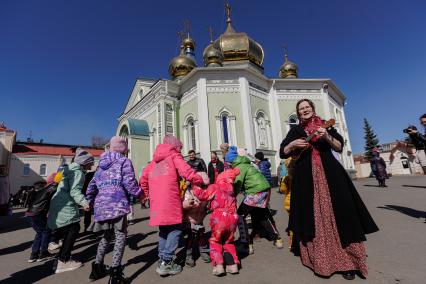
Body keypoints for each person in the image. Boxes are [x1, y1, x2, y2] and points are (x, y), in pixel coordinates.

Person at [279, 99, 379, 280]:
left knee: (341, 213)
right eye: (301, 109)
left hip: (330, 175)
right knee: (313, 215)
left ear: (312, 109)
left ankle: (348, 262)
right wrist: (293, 145)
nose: (304, 110)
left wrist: (326, 135)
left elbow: (339, 147)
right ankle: (320, 260)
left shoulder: (326, 125)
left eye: (307, 107)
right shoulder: (295, 131)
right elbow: (283, 151)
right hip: (305, 179)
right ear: (298, 112)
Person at [139, 134, 209, 276]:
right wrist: (199, 179)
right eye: (180, 148)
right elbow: (187, 172)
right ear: (175, 147)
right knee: (176, 229)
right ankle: (167, 261)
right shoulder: (174, 156)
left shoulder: (153, 162)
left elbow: (143, 179)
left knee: (164, 230)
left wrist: (147, 194)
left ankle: (162, 260)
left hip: (157, 202)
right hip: (170, 199)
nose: (181, 151)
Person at [86, 136, 142, 283]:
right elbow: (129, 182)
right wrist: (140, 194)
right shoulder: (124, 161)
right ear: (123, 148)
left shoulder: (100, 165)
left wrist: (90, 200)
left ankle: (96, 269)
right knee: (120, 236)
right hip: (117, 204)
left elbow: (91, 186)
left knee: (106, 236)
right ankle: (116, 274)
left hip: (102, 206)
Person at [226, 148, 283, 255]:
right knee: (261, 215)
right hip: (264, 189)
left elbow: (238, 184)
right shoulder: (247, 164)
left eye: (228, 163)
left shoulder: (239, 167)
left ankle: (245, 244)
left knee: (239, 215)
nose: (228, 165)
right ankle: (277, 239)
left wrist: (231, 196)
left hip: (255, 192)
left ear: (232, 161)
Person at [47, 148, 93, 274]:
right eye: (91, 162)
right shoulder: (78, 173)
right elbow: (75, 191)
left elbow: (57, 182)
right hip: (66, 204)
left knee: (67, 229)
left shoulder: (66, 170)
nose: (92, 164)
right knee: (73, 229)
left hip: (57, 203)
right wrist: (85, 203)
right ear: (85, 163)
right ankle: (64, 260)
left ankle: (60, 258)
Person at [191, 168, 241, 276]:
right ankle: (232, 265)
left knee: (215, 241)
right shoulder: (231, 190)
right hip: (233, 217)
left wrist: (194, 188)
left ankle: (219, 266)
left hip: (220, 217)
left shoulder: (215, 186)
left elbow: (204, 196)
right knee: (228, 241)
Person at [185, 149, 210, 266]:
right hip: (189, 220)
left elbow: (204, 169)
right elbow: (183, 204)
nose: (200, 187)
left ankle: (204, 251)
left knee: (201, 233)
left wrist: (210, 204)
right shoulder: (188, 192)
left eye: (203, 185)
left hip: (199, 218)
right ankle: (188, 255)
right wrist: (187, 203)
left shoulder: (205, 192)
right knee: (190, 236)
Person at [26, 175, 59, 262]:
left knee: (39, 233)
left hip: (31, 212)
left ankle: (33, 255)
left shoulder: (37, 191)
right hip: (38, 212)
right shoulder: (51, 187)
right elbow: (54, 188)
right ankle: (43, 253)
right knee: (45, 231)